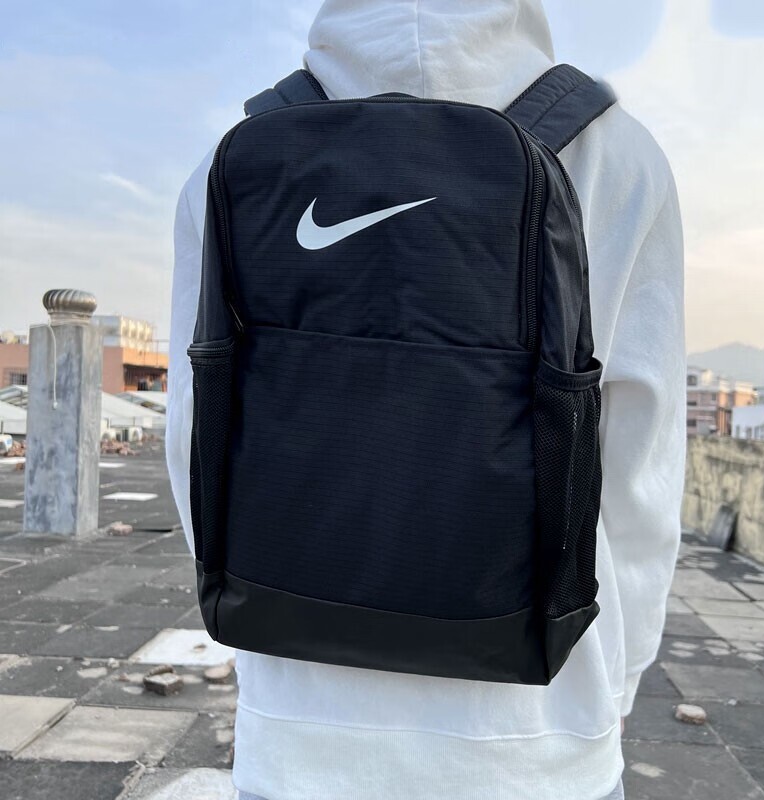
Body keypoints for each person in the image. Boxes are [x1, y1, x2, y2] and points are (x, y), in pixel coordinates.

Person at [166, 2, 685, 798]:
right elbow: (642, 469)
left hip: (296, 730)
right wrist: (620, 683)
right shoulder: (619, 153)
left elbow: (194, 440)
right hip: (542, 738)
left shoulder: (232, 160)